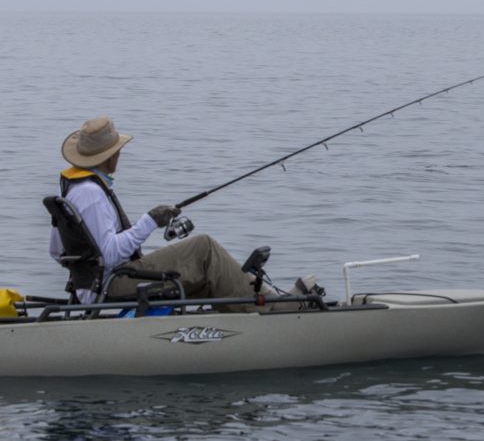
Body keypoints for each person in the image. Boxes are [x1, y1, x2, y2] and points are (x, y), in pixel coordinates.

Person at [48, 116, 310, 312]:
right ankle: (273, 310)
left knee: (205, 272)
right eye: (117, 150)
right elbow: (110, 253)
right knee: (204, 248)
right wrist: (150, 221)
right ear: (109, 156)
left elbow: (58, 251)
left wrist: (85, 272)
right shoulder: (92, 195)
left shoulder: (75, 190)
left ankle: (253, 313)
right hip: (112, 282)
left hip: (93, 284)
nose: (119, 154)